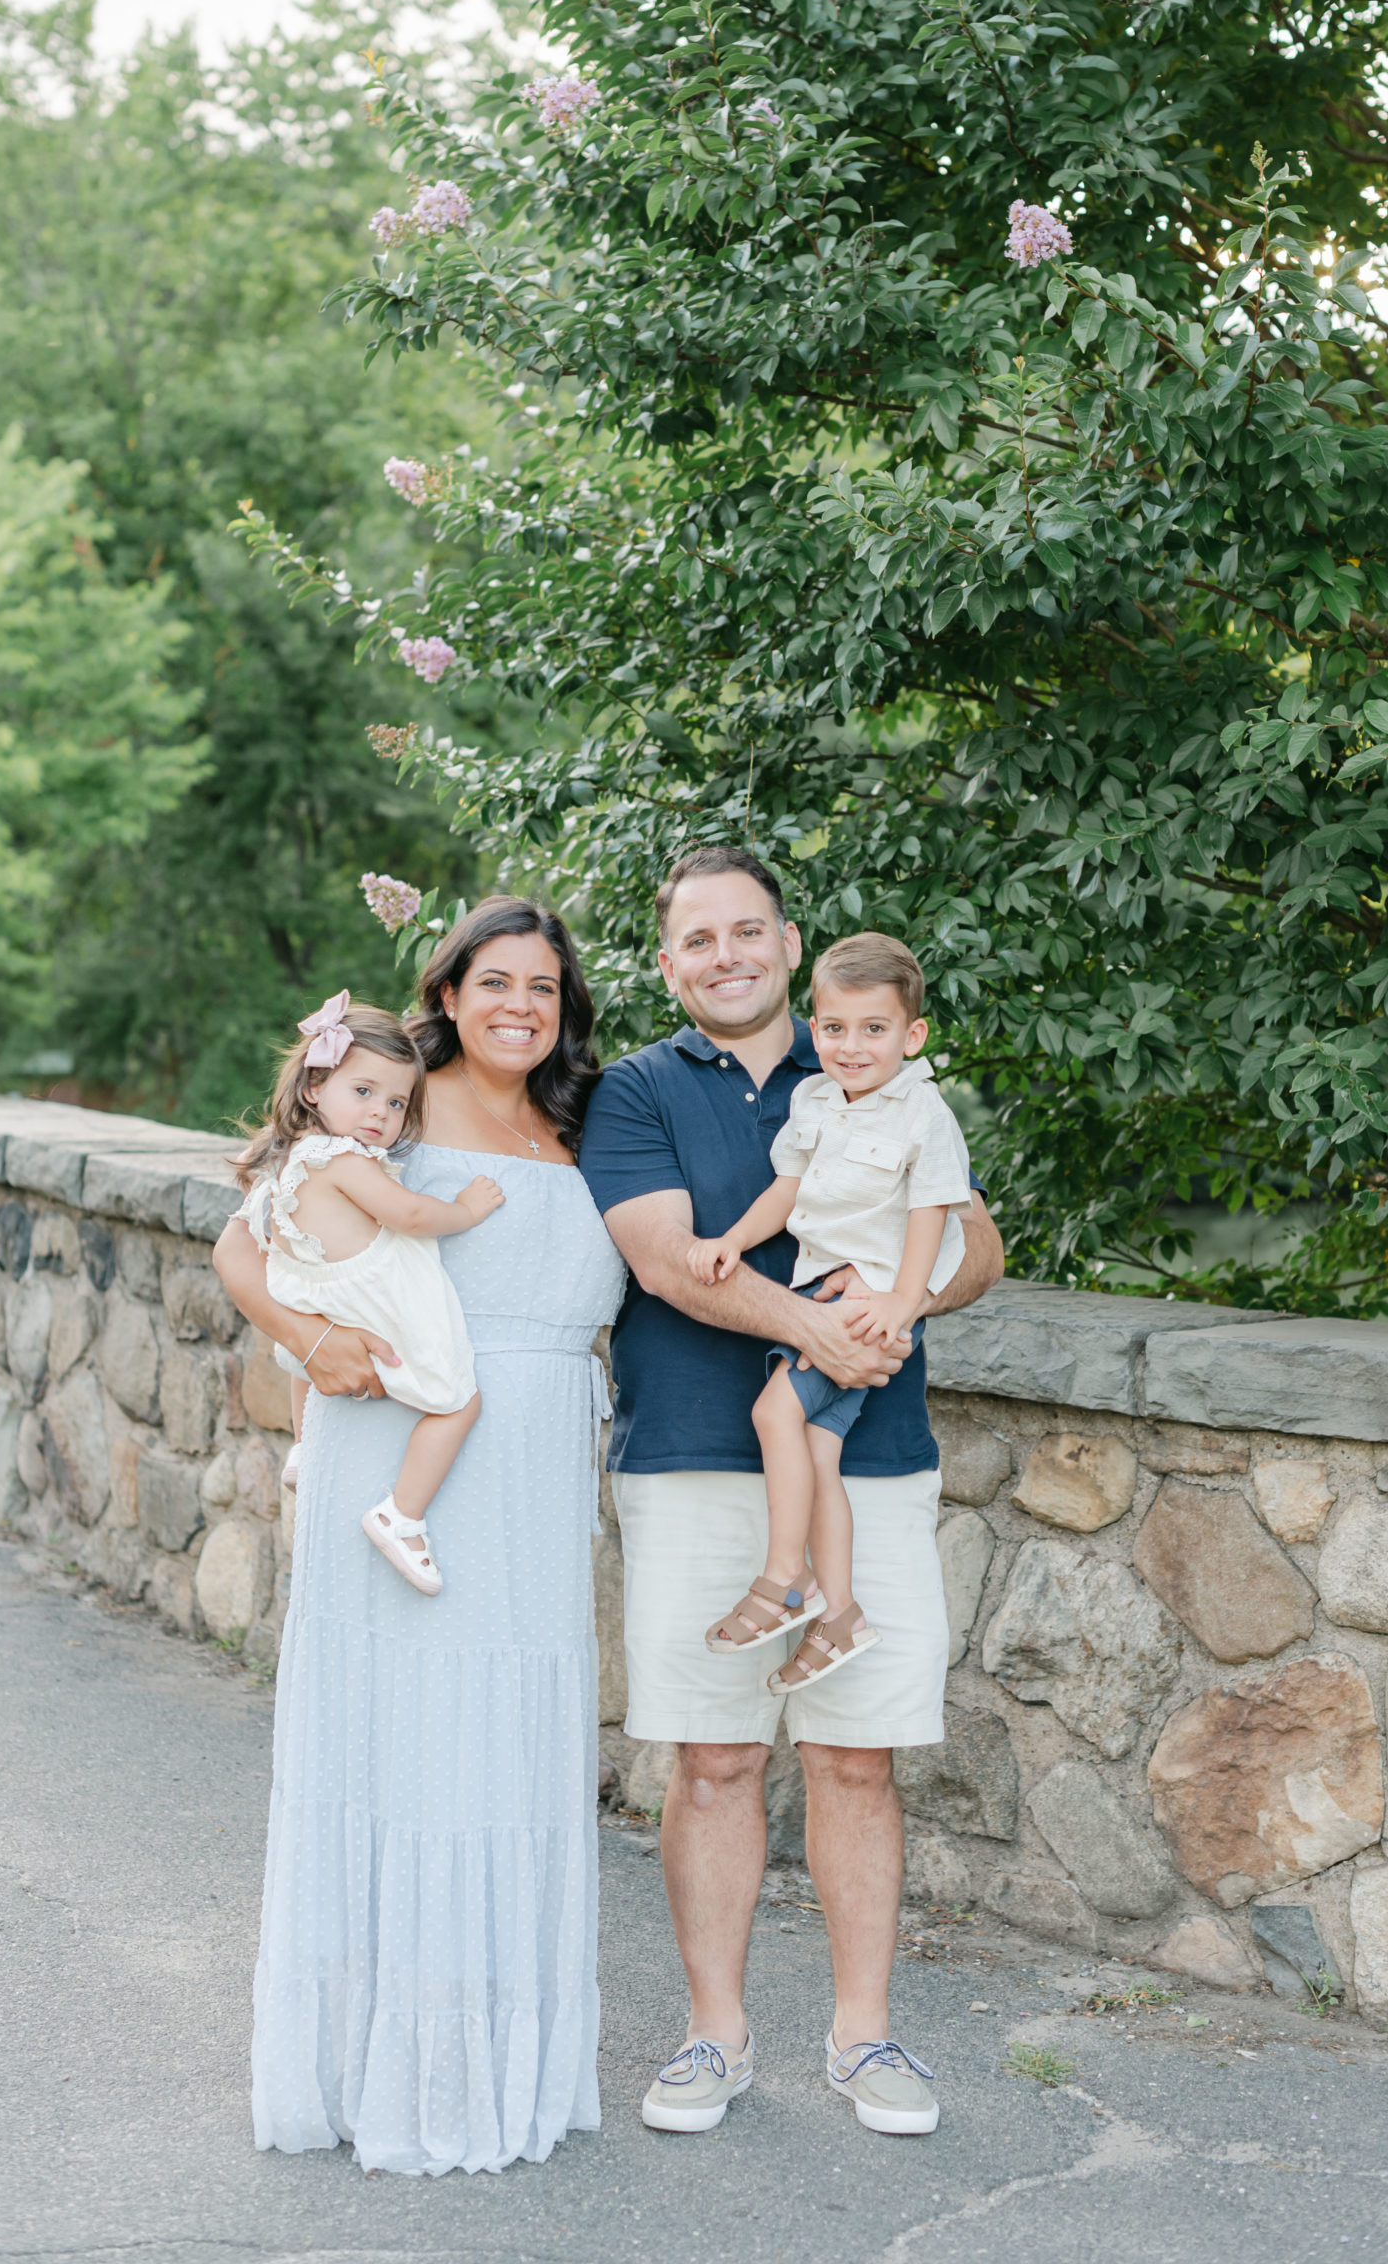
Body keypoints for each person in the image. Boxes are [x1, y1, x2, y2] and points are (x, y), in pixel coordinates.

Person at [578, 847, 1004, 2140]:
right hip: (694, 1455)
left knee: (855, 1760)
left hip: (874, 1451)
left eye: (746, 931)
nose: (725, 955)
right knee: (710, 1762)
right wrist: (817, 1333)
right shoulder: (635, 1093)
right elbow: (667, 1261)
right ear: (667, 963)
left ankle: (864, 2039)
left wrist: (894, 1304)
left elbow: (974, 1239)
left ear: (786, 938)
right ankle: (714, 2038)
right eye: (697, 939)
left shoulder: (868, 1071)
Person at [213, 899, 624, 2177]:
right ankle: (376, 2064)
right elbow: (244, 1235)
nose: (520, 1004)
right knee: (403, 1739)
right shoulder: (394, 1099)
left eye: (543, 986)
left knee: (504, 1745)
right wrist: (311, 1340)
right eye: (493, 980)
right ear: (446, 992)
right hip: (405, 1434)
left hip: (541, 1452)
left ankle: (496, 2059)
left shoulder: (583, 1118)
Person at [687, 933, 973, 1689]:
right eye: (835, 1028)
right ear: (814, 1026)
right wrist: (732, 1240)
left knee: (772, 1416)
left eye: (873, 1029)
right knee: (816, 1455)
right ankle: (840, 1614)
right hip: (823, 1292)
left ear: (910, 1035)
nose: (851, 1046)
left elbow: (931, 1215)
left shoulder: (923, 1113)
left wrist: (899, 1307)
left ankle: (787, 1578)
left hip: (866, 1305)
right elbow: (787, 1193)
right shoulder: (813, 1099)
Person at [231, 989, 504, 1593]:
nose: (381, 1112)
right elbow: (407, 1215)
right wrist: (464, 1208)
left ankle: (303, 1446)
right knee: (460, 1401)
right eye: (363, 1092)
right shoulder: (344, 1159)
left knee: (303, 1353)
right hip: (372, 1295)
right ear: (313, 1088)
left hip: (310, 1294)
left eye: (397, 1102)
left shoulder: (289, 1158)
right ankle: (401, 1514)